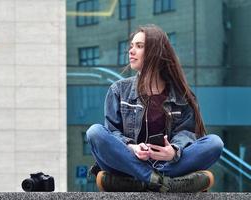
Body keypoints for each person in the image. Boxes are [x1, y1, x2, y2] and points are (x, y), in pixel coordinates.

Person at [86, 24, 224, 192]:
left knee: (214, 143)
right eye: (131, 46)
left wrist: (173, 151)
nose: (131, 51)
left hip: (168, 163)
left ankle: (143, 181)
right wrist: (132, 148)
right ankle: (162, 182)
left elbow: (187, 133)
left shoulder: (182, 95)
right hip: (128, 163)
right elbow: (112, 132)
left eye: (139, 46)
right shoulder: (118, 90)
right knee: (95, 132)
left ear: (155, 52)